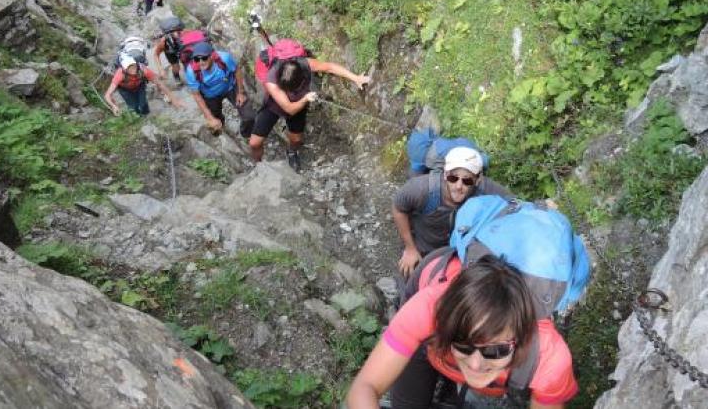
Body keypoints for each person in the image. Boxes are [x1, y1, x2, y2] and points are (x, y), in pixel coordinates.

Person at [346, 255, 579, 408]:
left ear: (519, 339)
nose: (476, 364)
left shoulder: (549, 358)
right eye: (464, 345)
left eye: (496, 350)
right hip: (430, 333)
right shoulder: (426, 311)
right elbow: (365, 388)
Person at [393, 146, 511, 278]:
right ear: (445, 174)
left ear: (478, 180)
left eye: (467, 180)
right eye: (453, 178)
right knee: (410, 276)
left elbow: (514, 205)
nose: (459, 186)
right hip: (425, 248)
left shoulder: (486, 190)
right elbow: (398, 207)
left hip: (460, 253)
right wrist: (410, 248)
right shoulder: (422, 189)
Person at [248, 57, 369, 172]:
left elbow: (329, 67)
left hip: (299, 106)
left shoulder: (304, 64)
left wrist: (355, 78)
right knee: (254, 143)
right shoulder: (271, 80)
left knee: (296, 140)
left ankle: (291, 152)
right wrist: (305, 99)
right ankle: (259, 165)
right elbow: (289, 109)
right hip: (274, 106)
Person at [185, 42, 255, 138]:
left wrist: (240, 93)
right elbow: (196, 95)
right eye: (197, 59)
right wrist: (210, 118)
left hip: (230, 87)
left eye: (204, 58)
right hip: (210, 96)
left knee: (249, 116)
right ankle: (221, 132)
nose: (200, 62)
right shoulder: (191, 71)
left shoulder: (224, 58)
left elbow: (236, 70)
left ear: (212, 56)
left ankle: (246, 134)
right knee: (214, 123)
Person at [104, 54, 182, 116]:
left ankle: (147, 116)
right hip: (125, 90)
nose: (132, 69)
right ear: (124, 69)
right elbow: (107, 95)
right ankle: (138, 117)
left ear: (136, 64)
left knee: (143, 104)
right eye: (129, 67)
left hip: (139, 86)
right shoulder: (119, 74)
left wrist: (174, 99)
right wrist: (113, 106)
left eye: (133, 66)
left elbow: (160, 84)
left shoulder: (144, 70)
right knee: (133, 106)